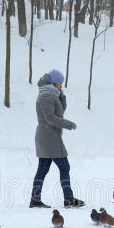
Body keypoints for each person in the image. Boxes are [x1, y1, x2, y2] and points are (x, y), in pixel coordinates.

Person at [29, 69, 85, 208]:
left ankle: (35, 200)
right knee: (64, 166)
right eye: (60, 83)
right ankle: (68, 199)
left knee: (43, 169)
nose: (61, 85)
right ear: (54, 83)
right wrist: (68, 124)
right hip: (49, 138)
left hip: (48, 136)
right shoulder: (46, 96)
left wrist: (61, 96)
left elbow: (60, 112)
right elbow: (50, 118)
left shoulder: (50, 94)